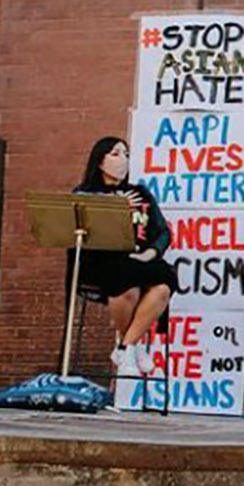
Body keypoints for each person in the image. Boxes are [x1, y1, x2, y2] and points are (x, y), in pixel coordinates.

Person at [73, 136, 176, 378]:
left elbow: (162, 231)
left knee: (163, 285)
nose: (123, 161)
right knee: (127, 287)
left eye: (127, 155)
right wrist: (115, 206)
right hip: (102, 260)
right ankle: (135, 346)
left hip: (138, 258)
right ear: (100, 161)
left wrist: (151, 253)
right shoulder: (85, 193)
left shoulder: (139, 193)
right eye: (116, 154)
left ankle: (124, 346)